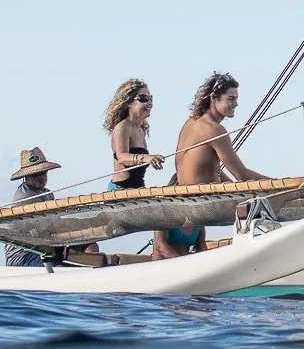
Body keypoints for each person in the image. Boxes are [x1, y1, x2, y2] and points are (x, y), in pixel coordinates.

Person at [163, 71, 268, 259]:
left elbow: (205, 166)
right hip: (204, 200)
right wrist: (275, 183)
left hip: (188, 195)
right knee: (265, 205)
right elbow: (241, 174)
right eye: (231, 98)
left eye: (237, 98)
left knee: (255, 198)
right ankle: (260, 255)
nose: (236, 103)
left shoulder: (191, 123)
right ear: (214, 98)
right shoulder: (215, 130)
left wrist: (229, 186)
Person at [3, 146, 64, 266]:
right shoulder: (25, 197)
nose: (41, 177)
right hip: (24, 256)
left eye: (43, 173)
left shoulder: (47, 193)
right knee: (61, 266)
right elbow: (48, 228)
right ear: (26, 177)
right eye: (35, 175)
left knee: (89, 246)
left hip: (46, 249)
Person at [103, 78, 165, 191]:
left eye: (150, 98)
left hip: (137, 189)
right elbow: (122, 157)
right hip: (120, 190)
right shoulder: (123, 127)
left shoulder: (141, 130)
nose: (149, 102)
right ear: (129, 103)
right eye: (143, 98)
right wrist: (146, 158)